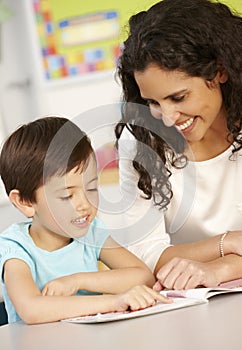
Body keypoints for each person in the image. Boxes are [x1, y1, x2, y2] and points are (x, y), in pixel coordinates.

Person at [115, 0, 242, 291]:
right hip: (192, 304)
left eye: (179, 97)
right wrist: (229, 242)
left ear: (219, 72)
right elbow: (145, 256)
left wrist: (219, 268)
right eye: (153, 102)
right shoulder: (140, 140)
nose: (168, 119)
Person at [0, 116, 171, 324]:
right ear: (25, 202)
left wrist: (78, 281)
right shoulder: (15, 247)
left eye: (91, 188)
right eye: (67, 196)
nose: (84, 204)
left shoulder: (92, 231)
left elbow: (143, 276)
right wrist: (113, 302)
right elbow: (31, 309)